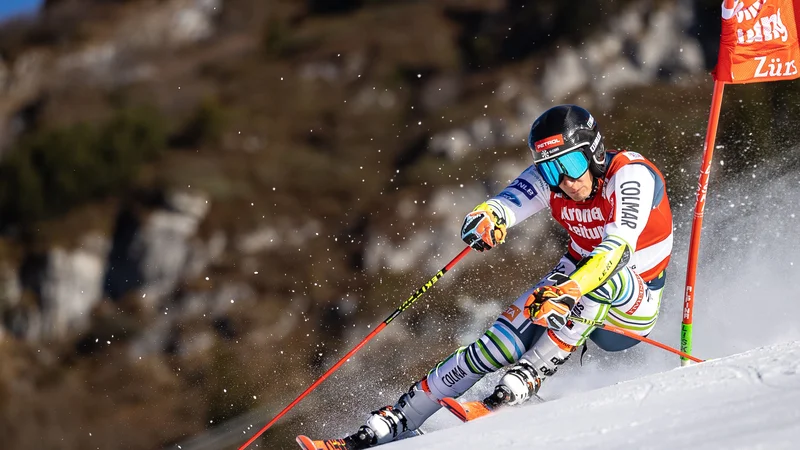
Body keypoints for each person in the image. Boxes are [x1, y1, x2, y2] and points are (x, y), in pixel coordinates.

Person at [341, 104, 673, 448]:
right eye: (551, 170)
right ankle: (398, 419)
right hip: (576, 283)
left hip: (634, 302)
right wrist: (485, 220)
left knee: (603, 278)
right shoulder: (552, 182)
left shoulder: (631, 175)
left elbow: (618, 250)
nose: (565, 181)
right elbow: (503, 205)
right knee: (497, 343)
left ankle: (525, 377)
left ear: (595, 152)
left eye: (572, 165)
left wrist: (570, 288)